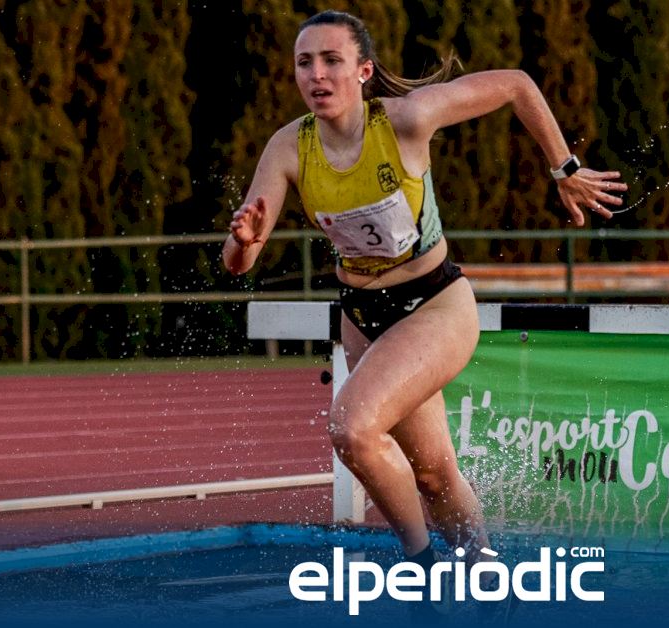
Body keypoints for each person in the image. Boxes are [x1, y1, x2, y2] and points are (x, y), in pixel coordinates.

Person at [222, 8, 625, 597]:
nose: (317, 75)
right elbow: (239, 264)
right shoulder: (289, 147)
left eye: (332, 60)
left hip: (434, 304)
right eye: (305, 63)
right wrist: (244, 240)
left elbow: (516, 84)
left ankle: (422, 568)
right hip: (364, 315)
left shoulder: (406, 118)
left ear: (363, 71)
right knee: (435, 475)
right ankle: (490, 585)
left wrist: (563, 167)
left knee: (352, 429)